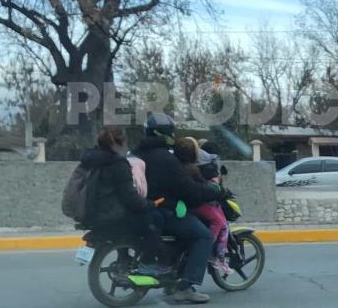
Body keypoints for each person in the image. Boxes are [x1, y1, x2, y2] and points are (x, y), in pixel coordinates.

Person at [133, 113, 227, 304]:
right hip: (164, 210)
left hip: (142, 209)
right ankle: (185, 287)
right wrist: (213, 192)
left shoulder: (136, 153)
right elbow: (189, 190)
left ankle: (172, 276)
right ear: (166, 133)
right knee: (204, 236)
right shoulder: (167, 159)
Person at [83, 127, 168, 277]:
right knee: (154, 221)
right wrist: (149, 204)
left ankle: (124, 256)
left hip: (95, 211)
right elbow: (130, 198)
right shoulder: (118, 164)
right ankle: (147, 263)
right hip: (112, 214)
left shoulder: (92, 160)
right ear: (118, 143)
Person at [174, 138, 232, 275]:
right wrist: (217, 191)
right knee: (219, 222)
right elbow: (205, 188)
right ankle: (215, 255)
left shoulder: (177, 166)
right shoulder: (195, 168)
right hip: (197, 203)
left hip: (183, 204)